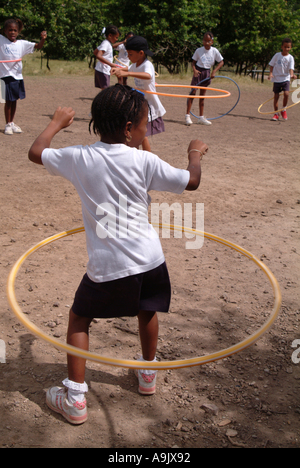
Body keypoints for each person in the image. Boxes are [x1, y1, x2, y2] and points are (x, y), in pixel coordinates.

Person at [28, 84, 208, 425]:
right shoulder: (144, 160)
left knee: (80, 318)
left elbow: (37, 152)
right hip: (151, 259)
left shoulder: (79, 156)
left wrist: (55, 123)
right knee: (147, 309)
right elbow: (192, 181)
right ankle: (147, 374)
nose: (146, 130)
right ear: (129, 129)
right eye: (145, 124)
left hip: (109, 265)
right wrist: (195, 152)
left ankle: (76, 398)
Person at [112, 35, 165, 152]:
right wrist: (118, 70)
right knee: (136, 133)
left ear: (141, 53)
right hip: (141, 105)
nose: (128, 57)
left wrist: (127, 74)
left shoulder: (147, 65)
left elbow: (148, 75)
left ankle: (148, 158)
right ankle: (136, 155)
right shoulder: (135, 64)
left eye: (130, 54)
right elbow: (128, 69)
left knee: (142, 135)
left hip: (150, 106)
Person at [0, 18, 47, 135]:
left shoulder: (22, 44)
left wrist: (43, 39)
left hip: (17, 76)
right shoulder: (1, 41)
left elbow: (38, 46)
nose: (12, 32)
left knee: (14, 100)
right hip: (6, 76)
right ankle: (7, 124)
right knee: (8, 101)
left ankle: (11, 123)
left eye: (15, 30)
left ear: (18, 32)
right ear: (5, 31)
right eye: (10, 30)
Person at [185, 32, 224, 126]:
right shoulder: (199, 50)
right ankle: (187, 116)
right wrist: (194, 70)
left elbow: (221, 62)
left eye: (208, 41)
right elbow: (193, 62)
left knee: (202, 96)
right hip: (198, 72)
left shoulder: (214, 51)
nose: (206, 43)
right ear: (202, 41)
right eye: (204, 40)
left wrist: (214, 71)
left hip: (207, 73)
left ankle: (201, 118)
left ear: (212, 41)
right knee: (193, 93)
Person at [268, 38, 296, 121]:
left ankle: (284, 109)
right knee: (276, 96)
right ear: (281, 47)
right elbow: (271, 65)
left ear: (290, 47)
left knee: (286, 94)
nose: (286, 49)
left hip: (285, 78)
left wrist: (291, 75)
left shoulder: (291, 58)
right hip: (277, 78)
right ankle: (276, 113)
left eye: (288, 47)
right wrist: (270, 74)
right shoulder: (277, 55)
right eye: (285, 47)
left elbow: (291, 68)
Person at [93, 25, 120, 90]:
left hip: (102, 69)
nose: (117, 39)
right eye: (116, 37)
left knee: (104, 89)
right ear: (110, 36)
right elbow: (98, 55)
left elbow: (95, 52)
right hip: (103, 70)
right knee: (105, 90)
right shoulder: (106, 44)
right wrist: (111, 64)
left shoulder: (106, 43)